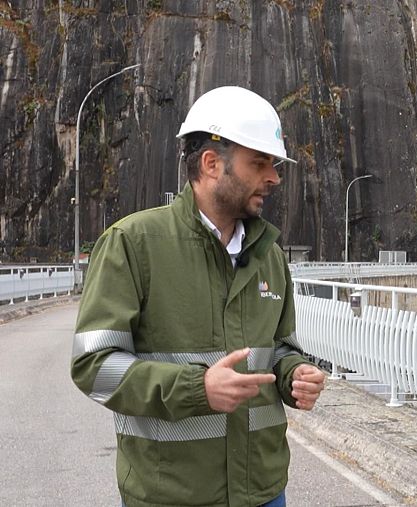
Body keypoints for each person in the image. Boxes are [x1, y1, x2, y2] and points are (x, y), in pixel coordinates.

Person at [71, 86, 326, 507]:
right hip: (169, 494)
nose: (274, 178)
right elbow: (93, 365)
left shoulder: (269, 256)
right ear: (211, 163)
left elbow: (279, 348)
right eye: (260, 162)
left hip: (263, 491)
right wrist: (196, 388)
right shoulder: (133, 245)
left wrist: (295, 373)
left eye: (274, 165)